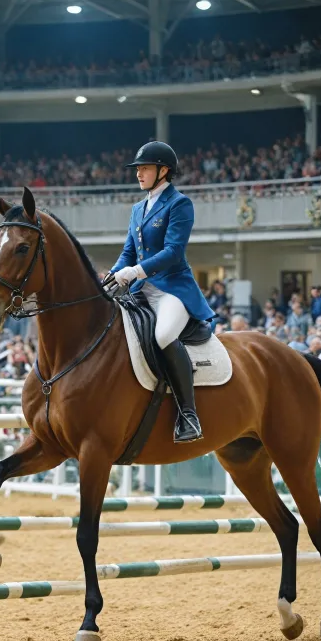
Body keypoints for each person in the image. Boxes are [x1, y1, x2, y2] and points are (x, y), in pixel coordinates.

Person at [108, 141, 214, 443]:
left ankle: (188, 415)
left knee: (164, 335)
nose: (138, 173)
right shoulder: (138, 208)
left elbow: (173, 252)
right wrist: (115, 275)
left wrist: (136, 272)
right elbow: (129, 251)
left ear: (163, 170)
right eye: (138, 169)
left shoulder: (180, 204)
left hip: (172, 290)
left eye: (144, 168)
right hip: (141, 290)